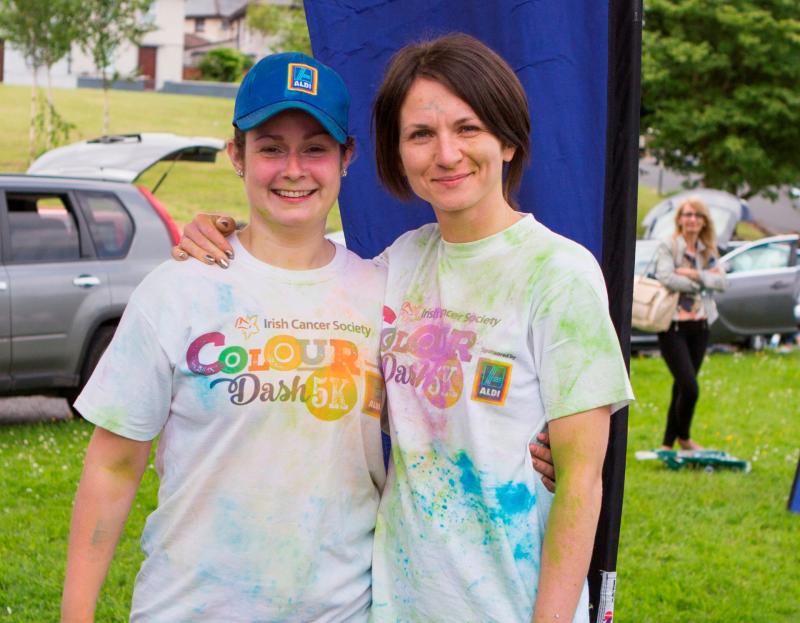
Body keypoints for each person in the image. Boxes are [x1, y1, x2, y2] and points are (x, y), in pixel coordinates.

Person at [177, 34, 633, 623]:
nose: (446, 154)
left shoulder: (559, 273)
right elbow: (299, 271)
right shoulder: (400, 264)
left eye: (468, 129)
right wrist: (221, 235)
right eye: (421, 134)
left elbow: (580, 484)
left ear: (509, 141)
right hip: (396, 605)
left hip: (511, 606)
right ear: (397, 154)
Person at [62, 52, 387, 622]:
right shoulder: (178, 289)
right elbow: (113, 467)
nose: (293, 168)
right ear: (236, 155)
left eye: (315, 147)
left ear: (346, 158)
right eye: (269, 147)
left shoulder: (383, 293)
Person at [654, 197, 727, 450]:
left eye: (697, 215)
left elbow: (723, 282)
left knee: (681, 387)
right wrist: (702, 281)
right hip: (673, 327)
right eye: (687, 215)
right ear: (680, 219)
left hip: (700, 327)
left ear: (704, 221)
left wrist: (691, 273)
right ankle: (684, 437)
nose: (692, 219)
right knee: (689, 386)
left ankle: (667, 444)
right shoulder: (669, 245)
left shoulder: (708, 249)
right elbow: (666, 277)